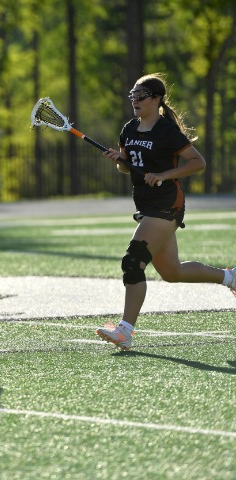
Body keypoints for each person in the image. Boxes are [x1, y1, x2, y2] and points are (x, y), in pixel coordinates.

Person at [95, 72, 236, 350]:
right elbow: (127, 167)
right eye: (133, 95)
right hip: (145, 204)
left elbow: (197, 163)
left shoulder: (166, 131)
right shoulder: (129, 128)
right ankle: (230, 277)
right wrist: (119, 160)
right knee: (173, 272)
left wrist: (163, 174)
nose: (135, 100)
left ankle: (125, 330)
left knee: (133, 261)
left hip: (166, 203)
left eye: (141, 95)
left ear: (156, 99)